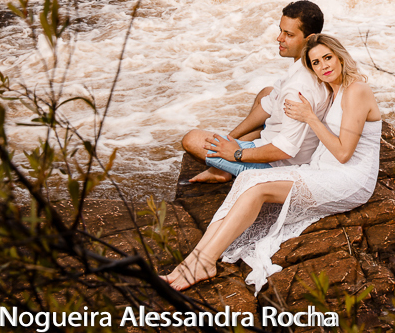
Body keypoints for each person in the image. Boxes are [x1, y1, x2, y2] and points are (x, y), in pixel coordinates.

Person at [163, 34, 382, 292]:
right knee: (247, 179)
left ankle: (206, 261)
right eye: (316, 63)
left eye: (328, 58)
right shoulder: (331, 90)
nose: (324, 66)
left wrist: (311, 118)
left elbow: (344, 153)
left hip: (350, 179)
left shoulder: (356, 90)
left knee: (257, 189)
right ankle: (194, 260)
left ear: (340, 56)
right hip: (323, 169)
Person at [180, 0, 329, 184]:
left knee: (191, 139)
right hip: (275, 141)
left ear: (310, 38)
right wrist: (229, 139)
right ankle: (223, 166)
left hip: (277, 165)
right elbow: (267, 106)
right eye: (281, 30)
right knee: (266, 93)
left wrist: (236, 153)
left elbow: (286, 149)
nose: (279, 38)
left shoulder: (298, 88)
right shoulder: (313, 67)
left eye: (288, 34)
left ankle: (227, 169)